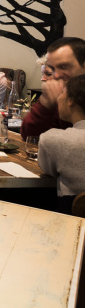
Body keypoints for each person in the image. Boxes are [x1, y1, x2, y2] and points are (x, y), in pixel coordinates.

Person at [37, 74, 85, 214]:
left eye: (63, 92)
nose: (59, 98)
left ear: (70, 100)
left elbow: (48, 169)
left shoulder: (53, 139)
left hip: (70, 222)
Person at [21, 37, 85, 139]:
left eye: (64, 66)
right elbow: (29, 136)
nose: (56, 75)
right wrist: (45, 105)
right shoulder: (61, 97)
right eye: (52, 69)